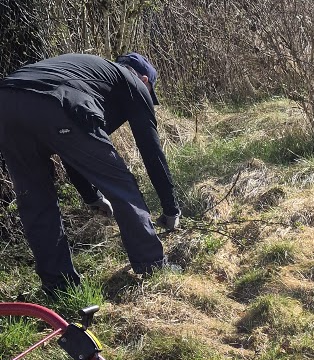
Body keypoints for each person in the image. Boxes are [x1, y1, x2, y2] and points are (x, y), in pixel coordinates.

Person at [0, 51, 181, 297]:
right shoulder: (134, 83)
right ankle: (152, 264)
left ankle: (59, 287)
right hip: (55, 99)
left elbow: (74, 151)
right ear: (145, 80)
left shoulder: (89, 73)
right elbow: (151, 152)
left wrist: (92, 197)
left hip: (6, 103)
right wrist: (171, 209)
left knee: (36, 201)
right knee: (121, 185)